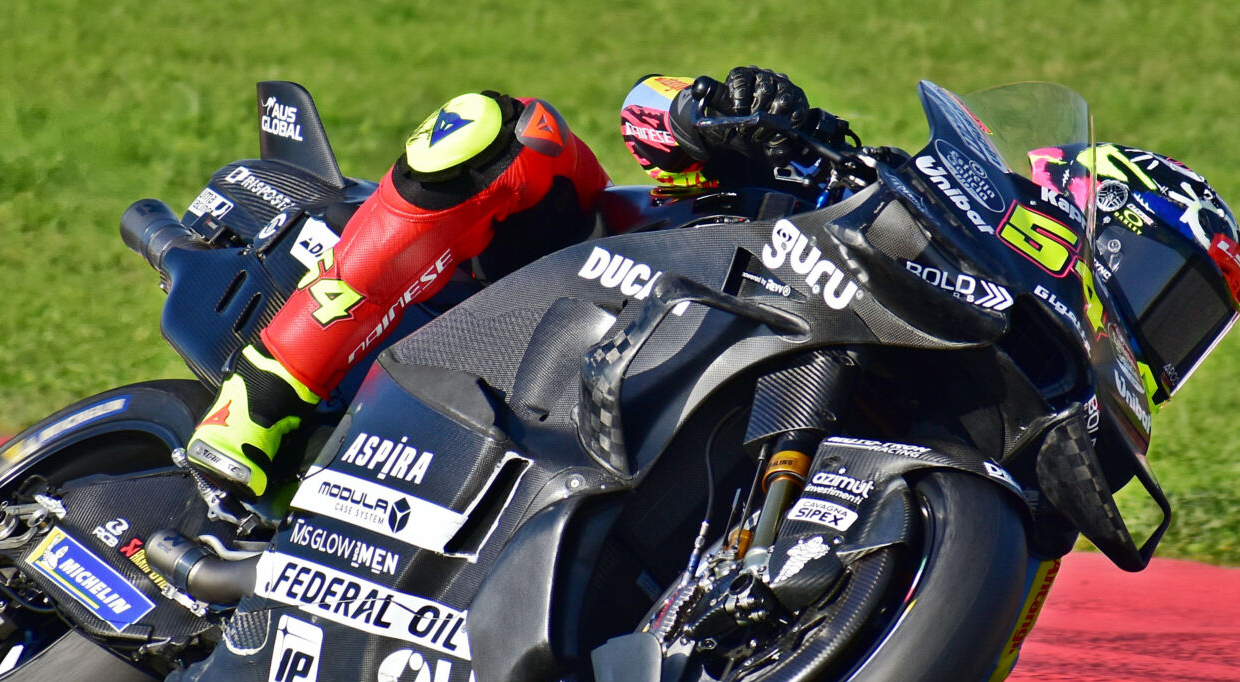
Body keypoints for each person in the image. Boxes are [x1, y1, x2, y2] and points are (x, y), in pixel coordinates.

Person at [181, 67, 818, 504]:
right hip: (562, 279)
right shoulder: (825, 190)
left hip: (661, 411)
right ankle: (262, 394)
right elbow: (649, 105)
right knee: (505, 131)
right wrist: (723, 119)